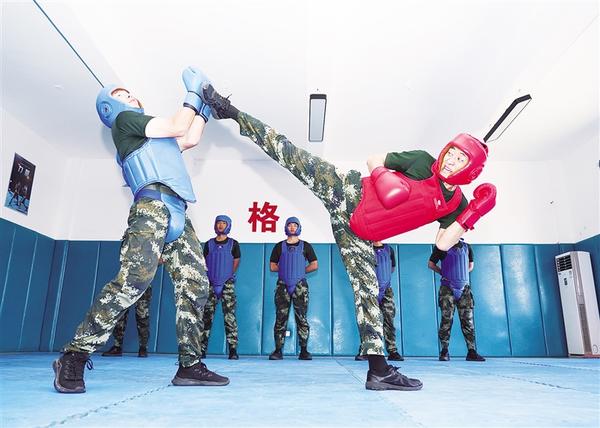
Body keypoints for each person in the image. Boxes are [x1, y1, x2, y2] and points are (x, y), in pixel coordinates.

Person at [199, 82, 495, 391]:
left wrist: (472, 213)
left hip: (358, 232)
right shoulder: (422, 161)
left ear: (470, 171)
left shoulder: (456, 204)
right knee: (289, 153)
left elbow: (443, 243)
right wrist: (383, 178)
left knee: (367, 292)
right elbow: (375, 159)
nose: (450, 160)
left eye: (460, 160)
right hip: (348, 190)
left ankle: (379, 371)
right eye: (452, 153)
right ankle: (230, 111)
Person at [52, 67, 229, 394]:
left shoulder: (154, 138)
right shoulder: (125, 122)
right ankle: (74, 355)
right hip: (151, 207)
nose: (130, 95)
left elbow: (188, 138)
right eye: (121, 94)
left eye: (130, 92)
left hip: (178, 210)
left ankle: (190, 365)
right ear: (110, 107)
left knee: (195, 284)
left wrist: (205, 109)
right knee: (134, 280)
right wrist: (192, 94)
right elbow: (178, 125)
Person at [268, 217, 318, 360]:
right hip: (282, 285)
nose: (292, 227)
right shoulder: (279, 246)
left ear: (299, 228)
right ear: (286, 227)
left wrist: (300, 271)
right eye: (289, 225)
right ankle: (278, 350)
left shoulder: (306, 246)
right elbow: (272, 266)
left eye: (294, 225)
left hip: (300, 286)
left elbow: (314, 264)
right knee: (280, 318)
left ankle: (304, 351)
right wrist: (285, 269)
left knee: (302, 318)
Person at [428, 238, 485, 362]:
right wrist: (444, 273)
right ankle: (444, 351)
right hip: (447, 288)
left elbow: (470, 266)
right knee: (446, 320)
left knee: (468, 321)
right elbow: (431, 264)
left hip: (464, 289)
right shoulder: (441, 247)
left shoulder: (467, 247)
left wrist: (461, 274)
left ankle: (471, 352)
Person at [201, 215, 241, 360]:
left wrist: (227, 275)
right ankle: (201, 349)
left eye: (223, 223)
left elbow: (236, 261)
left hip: (227, 284)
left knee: (230, 317)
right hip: (211, 283)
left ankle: (233, 350)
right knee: (206, 317)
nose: (221, 225)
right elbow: (204, 262)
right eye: (218, 223)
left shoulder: (233, 244)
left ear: (228, 225)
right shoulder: (209, 244)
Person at [356, 241, 403, 362]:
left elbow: (392, 268)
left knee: (389, 319)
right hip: (369, 290)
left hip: (386, 290)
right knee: (368, 321)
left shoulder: (389, 250)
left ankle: (392, 351)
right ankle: (367, 350)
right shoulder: (364, 248)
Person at [101, 285, 152, 358]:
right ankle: (117, 347)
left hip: (142, 285)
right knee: (120, 316)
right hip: (125, 285)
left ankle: (143, 348)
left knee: (142, 317)